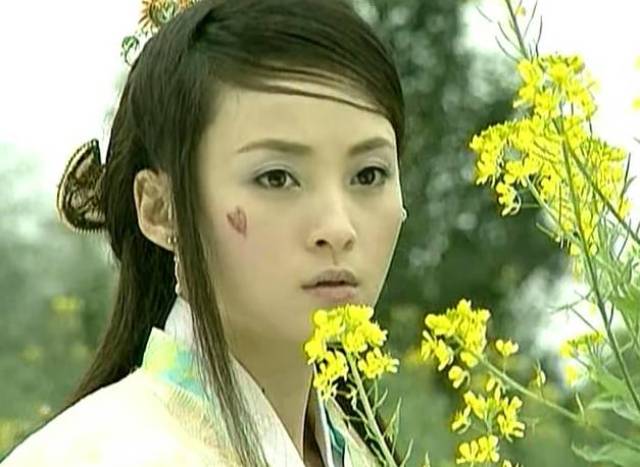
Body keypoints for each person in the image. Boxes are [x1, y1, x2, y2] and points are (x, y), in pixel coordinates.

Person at [1, 0, 408, 465]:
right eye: (276, 177)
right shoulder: (109, 454)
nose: (338, 228)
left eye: (369, 174)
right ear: (161, 209)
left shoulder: (358, 449)